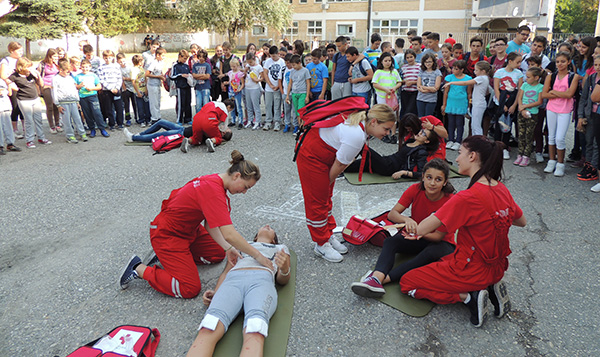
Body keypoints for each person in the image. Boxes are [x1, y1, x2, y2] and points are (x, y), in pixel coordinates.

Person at [400, 135, 527, 328]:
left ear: (472, 156)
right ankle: (490, 287)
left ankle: (469, 297)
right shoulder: (501, 188)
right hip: (497, 267)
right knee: (445, 259)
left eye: (460, 153)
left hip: (470, 271)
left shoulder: (467, 198)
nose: (457, 158)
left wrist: (412, 224)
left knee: (407, 282)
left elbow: (422, 228)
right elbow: (521, 221)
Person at [119, 150, 273, 299]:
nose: (244, 192)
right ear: (237, 176)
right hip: (167, 234)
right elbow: (230, 234)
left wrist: (228, 248)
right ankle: (138, 268)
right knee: (189, 288)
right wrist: (259, 256)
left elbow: (210, 225)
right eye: (246, 187)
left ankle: (167, 257)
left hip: (188, 230)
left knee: (218, 253)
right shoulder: (214, 191)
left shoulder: (216, 181)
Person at [296, 103, 396, 263]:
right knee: (317, 201)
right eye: (386, 129)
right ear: (374, 122)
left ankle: (327, 234)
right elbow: (340, 165)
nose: (388, 133)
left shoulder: (359, 126)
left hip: (322, 154)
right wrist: (326, 183)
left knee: (325, 198)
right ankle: (320, 243)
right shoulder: (356, 135)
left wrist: (326, 185)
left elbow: (340, 164)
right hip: (312, 155)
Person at [351, 159, 456, 298]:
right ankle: (376, 277)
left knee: (428, 254)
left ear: (445, 182)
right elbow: (392, 214)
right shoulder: (415, 189)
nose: (432, 183)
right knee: (390, 242)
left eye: (438, 179)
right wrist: (407, 219)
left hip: (441, 242)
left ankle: (381, 281)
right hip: (416, 235)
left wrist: (419, 233)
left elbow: (438, 236)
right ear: (423, 176)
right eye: (429, 177)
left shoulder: (450, 200)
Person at [186, 225, 290, 357]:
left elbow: (283, 280)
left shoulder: (280, 249)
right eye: (263, 226)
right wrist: (217, 293)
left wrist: (285, 269)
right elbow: (226, 272)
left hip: (261, 281)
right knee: (209, 326)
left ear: (274, 240)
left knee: (255, 328)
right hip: (233, 281)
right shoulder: (241, 245)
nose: (268, 225)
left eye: (272, 229)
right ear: (256, 236)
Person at [345, 127, 439, 179]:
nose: (420, 133)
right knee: (347, 167)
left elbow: (421, 173)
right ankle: (338, 165)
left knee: (363, 147)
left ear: (427, 141)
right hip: (386, 160)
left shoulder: (421, 151)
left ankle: (348, 158)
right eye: (421, 130)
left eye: (424, 134)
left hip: (388, 167)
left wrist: (403, 172)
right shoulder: (410, 141)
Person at [542, 51, 580, 176]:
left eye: (563, 61)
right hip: (551, 108)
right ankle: (552, 161)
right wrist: (557, 93)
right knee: (551, 136)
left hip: (565, 109)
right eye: (558, 62)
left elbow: (570, 94)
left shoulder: (573, 77)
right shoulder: (551, 76)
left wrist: (554, 92)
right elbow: (544, 94)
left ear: (569, 62)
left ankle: (560, 163)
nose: (560, 64)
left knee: (560, 138)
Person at [9, 57, 51, 149]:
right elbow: (7, 81)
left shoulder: (31, 74)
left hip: (35, 98)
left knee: (38, 118)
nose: (29, 69)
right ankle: (29, 140)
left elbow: (41, 84)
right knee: (28, 120)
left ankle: (41, 137)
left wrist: (38, 76)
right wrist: (13, 87)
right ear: (21, 67)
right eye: (27, 67)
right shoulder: (15, 75)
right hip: (24, 100)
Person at [443, 61, 493, 136]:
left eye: (476, 70)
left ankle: (480, 142)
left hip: (479, 103)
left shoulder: (481, 78)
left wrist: (451, 83)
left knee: (476, 125)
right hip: (478, 102)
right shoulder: (484, 78)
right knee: (474, 124)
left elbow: (465, 83)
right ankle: (475, 141)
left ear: (483, 71)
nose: (474, 72)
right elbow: (487, 91)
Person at [492, 52, 524, 159]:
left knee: (508, 125)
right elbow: (496, 88)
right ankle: (496, 147)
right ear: (510, 61)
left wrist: (514, 105)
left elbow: (520, 90)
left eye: (520, 62)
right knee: (498, 124)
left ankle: (505, 147)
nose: (519, 64)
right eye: (517, 62)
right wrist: (501, 104)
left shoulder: (519, 74)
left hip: (512, 101)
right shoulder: (499, 72)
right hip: (500, 101)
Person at [514, 67, 544, 167]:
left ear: (536, 77)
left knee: (529, 135)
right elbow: (520, 97)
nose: (526, 78)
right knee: (521, 134)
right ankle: (520, 154)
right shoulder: (525, 85)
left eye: (528, 77)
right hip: (522, 112)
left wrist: (525, 106)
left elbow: (539, 102)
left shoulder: (540, 87)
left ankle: (526, 156)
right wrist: (521, 109)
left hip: (533, 113)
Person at [576, 54, 600, 181]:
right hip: (590, 115)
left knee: (597, 143)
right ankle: (589, 164)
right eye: (596, 65)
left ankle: (595, 167)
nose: (598, 68)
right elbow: (583, 98)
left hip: (599, 115)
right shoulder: (591, 78)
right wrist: (581, 116)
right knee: (589, 141)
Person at [52, 58, 87, 144]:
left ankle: (82, 133)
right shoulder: (56, 79)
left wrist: (77, 101)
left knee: (77, 118)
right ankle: (70, 135)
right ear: (61, 70)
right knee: (67, 120)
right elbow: (54, 92)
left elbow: (74, 90)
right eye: (67, 71)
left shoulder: (70, 78)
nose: (68, 73)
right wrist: (58, 105)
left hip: (73, 101)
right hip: (63, 103)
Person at [74, 59, 110, 138]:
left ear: (90, 67)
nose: (85, 69)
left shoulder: (93, 75)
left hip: (92, 96)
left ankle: (102, 129)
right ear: (80, 67)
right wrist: (79, 86)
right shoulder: (78, 76)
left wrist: (92, 89)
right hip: (83, 97)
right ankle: (92, 129)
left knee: (97, 113)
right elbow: (75, 87)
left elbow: (99, 86)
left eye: (86, 67)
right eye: (83, 67)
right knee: (87, 114)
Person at [442, 60, 472, 151]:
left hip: (461, 102)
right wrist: (444, 104)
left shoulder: (468, 78)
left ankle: (458, 141)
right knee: (451, 122)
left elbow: (469, 93)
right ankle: (450, 139)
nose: (453, 70)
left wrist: (469, 104)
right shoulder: (449, 78)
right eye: (452, 68)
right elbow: (446, 92)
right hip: (451, 102)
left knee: (459, 123)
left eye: (456, 69)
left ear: (462, 69)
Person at [0, 42, 24, 139]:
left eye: (22, 50)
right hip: (12, 85)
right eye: (18, 51)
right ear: (12, 51)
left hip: (22, 84)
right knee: (15, 106)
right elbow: (3, 75)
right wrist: (10, 82)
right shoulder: (6, 61)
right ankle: (14, 129)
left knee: (23, 107)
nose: (21, 53)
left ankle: (25, 127)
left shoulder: (21, 60)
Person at [97, 50, 125, 130]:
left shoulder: (116, 66)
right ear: (103, 58)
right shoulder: (101, 68)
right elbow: (101, 79)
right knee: (108, 108)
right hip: (107, 90)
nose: (108, 59)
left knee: (119, 107)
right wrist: (110, 88)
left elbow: (119, 78)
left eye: (109, 57)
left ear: (112, 57)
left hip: (116, 89)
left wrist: (117, 87)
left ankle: (120, 123)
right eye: (106, 58)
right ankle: (111, 124)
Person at [37, 48, 61, 133]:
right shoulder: (42, 64)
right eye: (54, 57)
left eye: (57, 56)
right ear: (49, 56)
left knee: (56, 105)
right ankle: (52, 126)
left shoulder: (57, 64)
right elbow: (38, 77)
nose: (56, 58)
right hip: (46, 86)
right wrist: (40, 88)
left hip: (56, 87)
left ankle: (57, 124)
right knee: (50, 106)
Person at [262, 46, 285, 131]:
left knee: (277, 106)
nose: (273, 58)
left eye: (274, 56)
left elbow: (282, 76)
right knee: (268, 105)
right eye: (271, 56)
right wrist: (270, 85)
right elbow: (265, 73)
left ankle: (277, 122)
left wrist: (278, 86)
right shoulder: (268, 61)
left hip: (278, 87)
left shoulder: (282, 62)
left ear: (278, 54)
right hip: (269, 88)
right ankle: (268, 121)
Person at [286, 54, 310, 132]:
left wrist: (307, 96)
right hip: (294, 93)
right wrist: (287, 95)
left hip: (302, 93)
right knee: (296, 111)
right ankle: (300, 127)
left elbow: (308, 83)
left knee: (301, 111)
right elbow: (290, 83)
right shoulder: (292, 71)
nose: (293, 67)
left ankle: (303, 127)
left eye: (294, 65)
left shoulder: (305, 71)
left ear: (299, 63)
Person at [169, 49, 193, 125]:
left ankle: (188, 118)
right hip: (180, 87)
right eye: (184, 58)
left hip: (187, 86)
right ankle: (179, 119)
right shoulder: (175, 65)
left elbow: (189, 73)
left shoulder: (186, 65)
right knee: (181, 103)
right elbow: (172, 76)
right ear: (180, 56)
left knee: (188, 103)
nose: (185, 60)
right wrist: (181, 75)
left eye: (186, 59)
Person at [146, 47, 166, 124]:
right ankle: (154, 118)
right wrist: (158, 77)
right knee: (153, 102)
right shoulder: (153, 63)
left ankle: (158, 117)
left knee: (158, 102)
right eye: (162, 55)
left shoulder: (160, 62)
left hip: (157, 84)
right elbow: (147, 74)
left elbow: (160, 72)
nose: (163, 57)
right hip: (152, 85)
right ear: (157, 55)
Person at [0, 80, 21, 153]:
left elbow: (10, 93)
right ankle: (0, 146)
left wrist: (8, 84)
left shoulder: (3, 81)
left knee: (7, 125)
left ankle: (10, 143)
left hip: (5, 105)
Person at [117, 53, 137, 126]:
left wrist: (125, 78)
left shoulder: (130, 68)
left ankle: (137, 117)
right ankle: (128, 118)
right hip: (125, 89)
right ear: (118, 62)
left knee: (135, 103)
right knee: (126, 105)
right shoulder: (118, 69)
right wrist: (124, 89)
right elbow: (120, 80)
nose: (123, 63)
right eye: (120, 62)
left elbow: (133, 78)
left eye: (123, 61)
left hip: (133, 88)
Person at [243, 53, 263, 129]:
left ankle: (258, 121)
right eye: (248, 62)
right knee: (249, 105)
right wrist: (245, 71)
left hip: (255, 88)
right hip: (247, 87)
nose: (249, 64)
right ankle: (250, 120)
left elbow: (262, 77)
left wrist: (257, 80)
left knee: (256, 105)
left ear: (254, 59)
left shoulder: (259, 67)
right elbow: (244, 75)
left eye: (251, 62)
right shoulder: (247, 66)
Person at [131, 55, 150, 127]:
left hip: (144, 89)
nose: (142, 62)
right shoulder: (134, 70)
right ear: (138, 62)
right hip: (138, 92)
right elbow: (133, 82)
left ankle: (147, 120)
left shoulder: (142, 69)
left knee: (146, 106)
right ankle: (141, 120)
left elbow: (145, 78)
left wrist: (146, 89)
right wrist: (138, 92)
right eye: (141, 61)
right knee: (140, 107)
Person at [225, 58, 245, 128]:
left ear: (237, 65)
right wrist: (227, 83)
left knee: (239, 106)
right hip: (231, 91)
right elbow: (230, 81)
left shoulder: (239, 74)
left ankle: (240, 121)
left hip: (237, 91)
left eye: (234, 66)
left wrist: (240, 89)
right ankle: (233, 120)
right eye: (231, 66)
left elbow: (242, 83)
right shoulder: (230, 73)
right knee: (231, 106)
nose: (233, 68)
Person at [400, 49, 420, 117]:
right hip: (405, 91)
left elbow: (422, 80)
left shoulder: (419, 66)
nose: (409, 59)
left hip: (414, 91)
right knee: (404, 109)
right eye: (407, 58)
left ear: (414, 57)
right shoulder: (403, 67)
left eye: (411, 57)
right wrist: (405, 81)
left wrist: (413, 82)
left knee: (410, 110)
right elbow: (400, 79)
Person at [192, 49, 212, 114]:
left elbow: (207, 76)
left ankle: (206, 118)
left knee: (206, 104)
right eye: (200, 56)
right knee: (198, 104)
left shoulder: (207, 65)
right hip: (198, 87)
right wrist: (203, 75)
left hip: (205, 87)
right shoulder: (195, 65)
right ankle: (198, 118)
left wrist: (198, 76)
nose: (201, 58)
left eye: (203, 57)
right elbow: (194, 75)